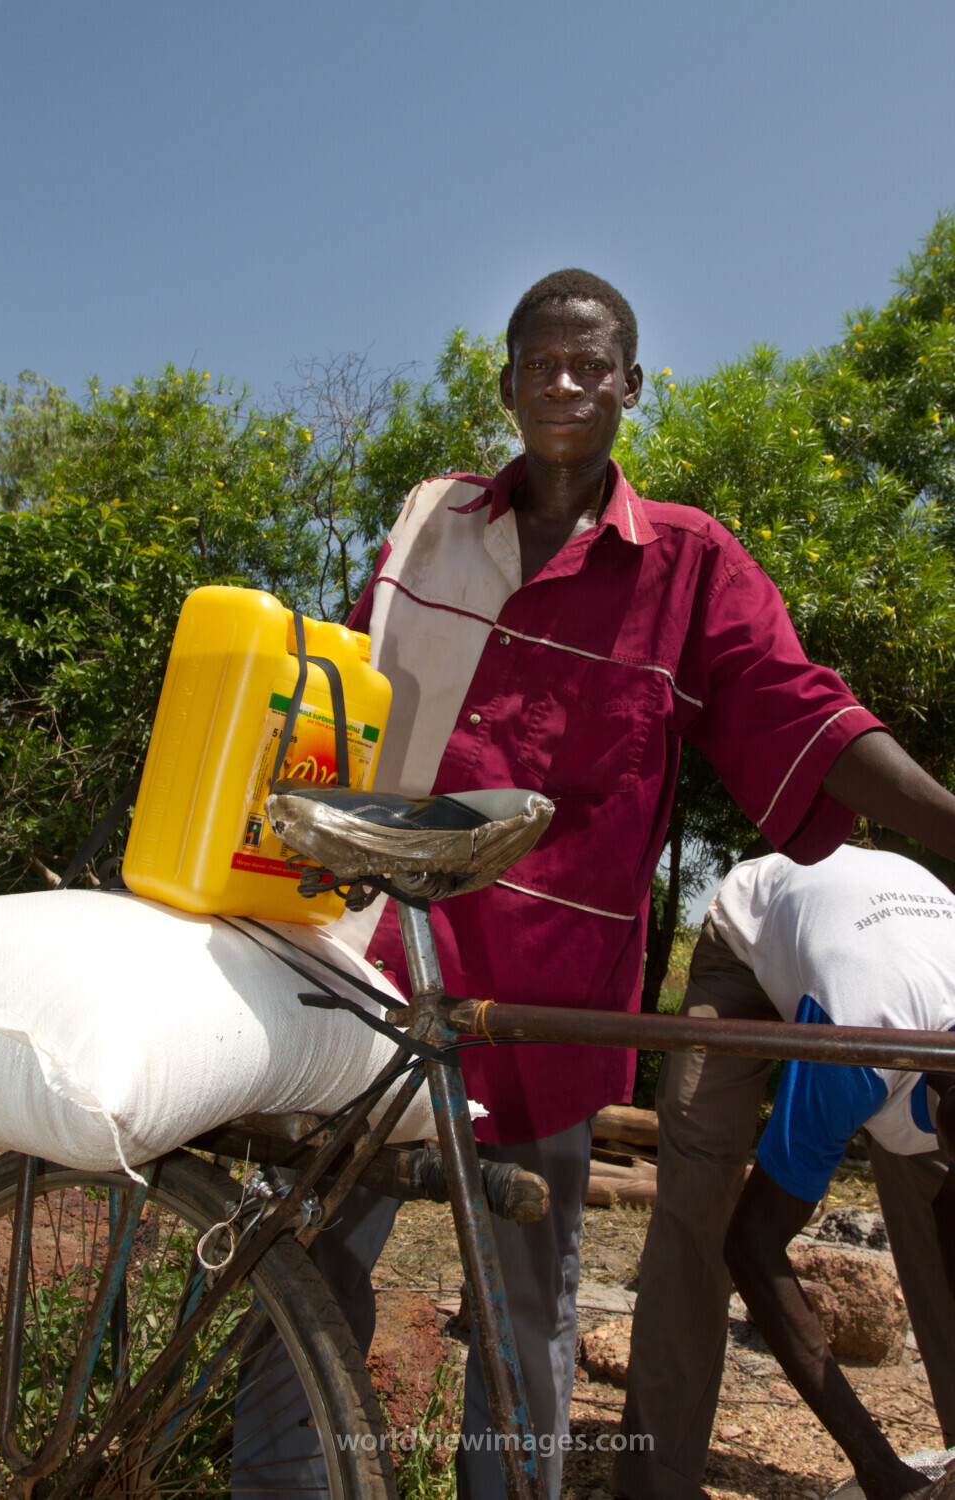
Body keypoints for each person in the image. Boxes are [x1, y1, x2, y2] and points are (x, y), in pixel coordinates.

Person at [234, 268, 955, 1499]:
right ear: (508, 383)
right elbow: (337, 706)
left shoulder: (688, 567)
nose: (563, 384)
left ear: (630, 385)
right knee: (312, 1258)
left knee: (525, 1319)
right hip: (373, 958)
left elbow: (804, 713)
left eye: (590, 365)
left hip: (550, 1007)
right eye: (539, 363)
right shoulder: (429, 530)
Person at [617, 847, 955, 1500]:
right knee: (702, 1202)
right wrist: (878, 1466)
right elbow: (753, 1247)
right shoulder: (857, 1051)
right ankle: (655, 1484)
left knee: (933, 1197)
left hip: (881, 946)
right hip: (756, 931)